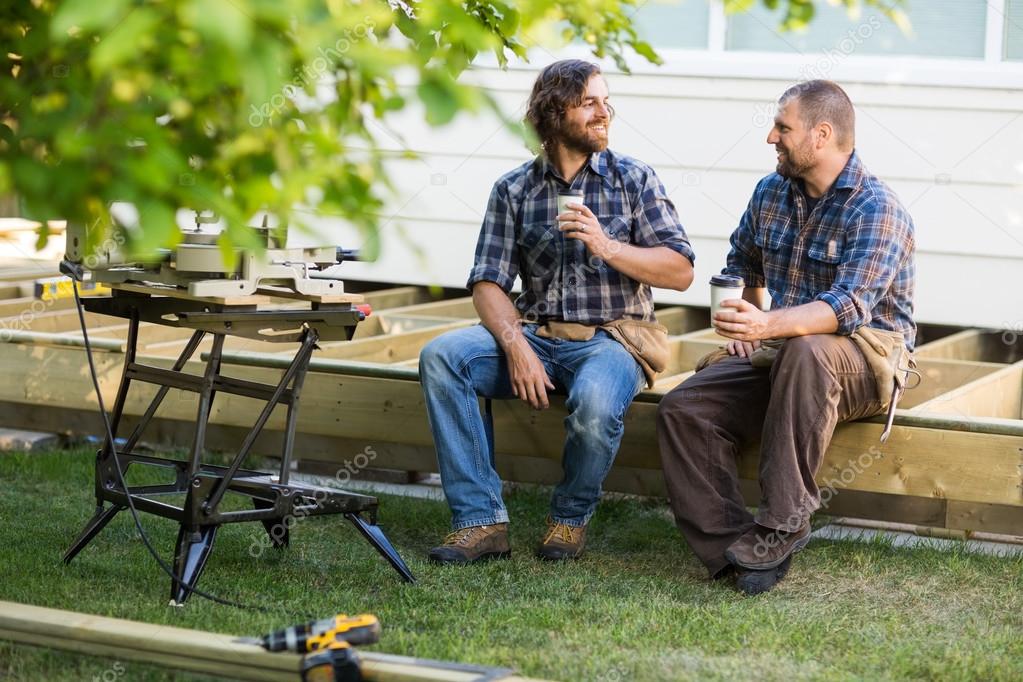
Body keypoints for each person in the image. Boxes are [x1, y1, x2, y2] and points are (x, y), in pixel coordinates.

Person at [419, 59, 695, 564]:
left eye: (606, 102)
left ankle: (568, 519)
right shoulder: (514, 190)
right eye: (589, 102)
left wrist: (608, 246)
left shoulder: (632, 179)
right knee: (443, 355)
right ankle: (481, 521)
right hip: (536, 336)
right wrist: (516, 345)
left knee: (593, 402)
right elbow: (487, 282)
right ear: (553, 112)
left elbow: (679, 269)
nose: (603, 112)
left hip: (613, 340)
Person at [657, 80, 915, 594]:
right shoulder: (771, 192)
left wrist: (766, 324)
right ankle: (734, 548)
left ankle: (782, 523)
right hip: (787, 354)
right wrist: (742, 317)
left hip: (869, 359)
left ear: (821, 135)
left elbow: (848, 308)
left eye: (782, 127)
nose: (770, 137)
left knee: (807, 349)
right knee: (684, 410)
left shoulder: (877, 208)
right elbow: (742, 265)